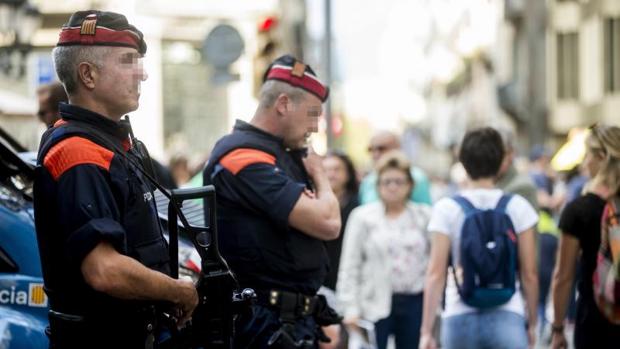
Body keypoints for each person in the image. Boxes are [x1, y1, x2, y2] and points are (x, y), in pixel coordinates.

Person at [33, 10, 198, 348]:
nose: (143, 75)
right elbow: (104, 270)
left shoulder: (115, 144)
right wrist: (177, 290)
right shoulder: (78, 152)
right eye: (128, 61)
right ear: (88, 74)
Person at [202, 55, 341, 349]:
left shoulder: (280, 153)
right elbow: (328, 222)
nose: (315, 127)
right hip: (263, 323)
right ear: (283, 104)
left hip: (292, 320)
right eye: (312, 114)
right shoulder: (242, 156)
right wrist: (321, 176)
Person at [419, 127, 539, 349]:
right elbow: (529, 274)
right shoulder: (518, 207)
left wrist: (426, 331)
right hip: (508, 314)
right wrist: (532, 323)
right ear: (502, 162)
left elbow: (435, 274)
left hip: (458, 315)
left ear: (462, 161)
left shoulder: (446, 208)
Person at [338, 150, 431, 349]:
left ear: (410, 185)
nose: (392, 187)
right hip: (373, 302)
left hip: (415, 301)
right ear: (378, 185)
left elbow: (434, 262)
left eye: (399, 181)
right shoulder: (362, 217)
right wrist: (350, 307)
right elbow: (350, 265)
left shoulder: (424, 216)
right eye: (386, 182)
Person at [551, 124, 620, 349]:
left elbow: (563, 277)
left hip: (596, 320)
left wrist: (558, 328)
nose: (584, 163)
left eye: (587, 155)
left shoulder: (579, 210)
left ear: (601, 158)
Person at [359, 130, 432, 205]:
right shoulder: (368, 181)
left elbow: (424, 212)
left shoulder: (416, 177)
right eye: (371, 149)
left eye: (381, 148)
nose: (375, 154)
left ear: (397, 147)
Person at [322, 150, 359, 291]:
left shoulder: (358, 206)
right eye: (326, 170)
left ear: (348, 174)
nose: (331, 174)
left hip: (348, 277)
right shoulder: (310, 203)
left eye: (337, 169)